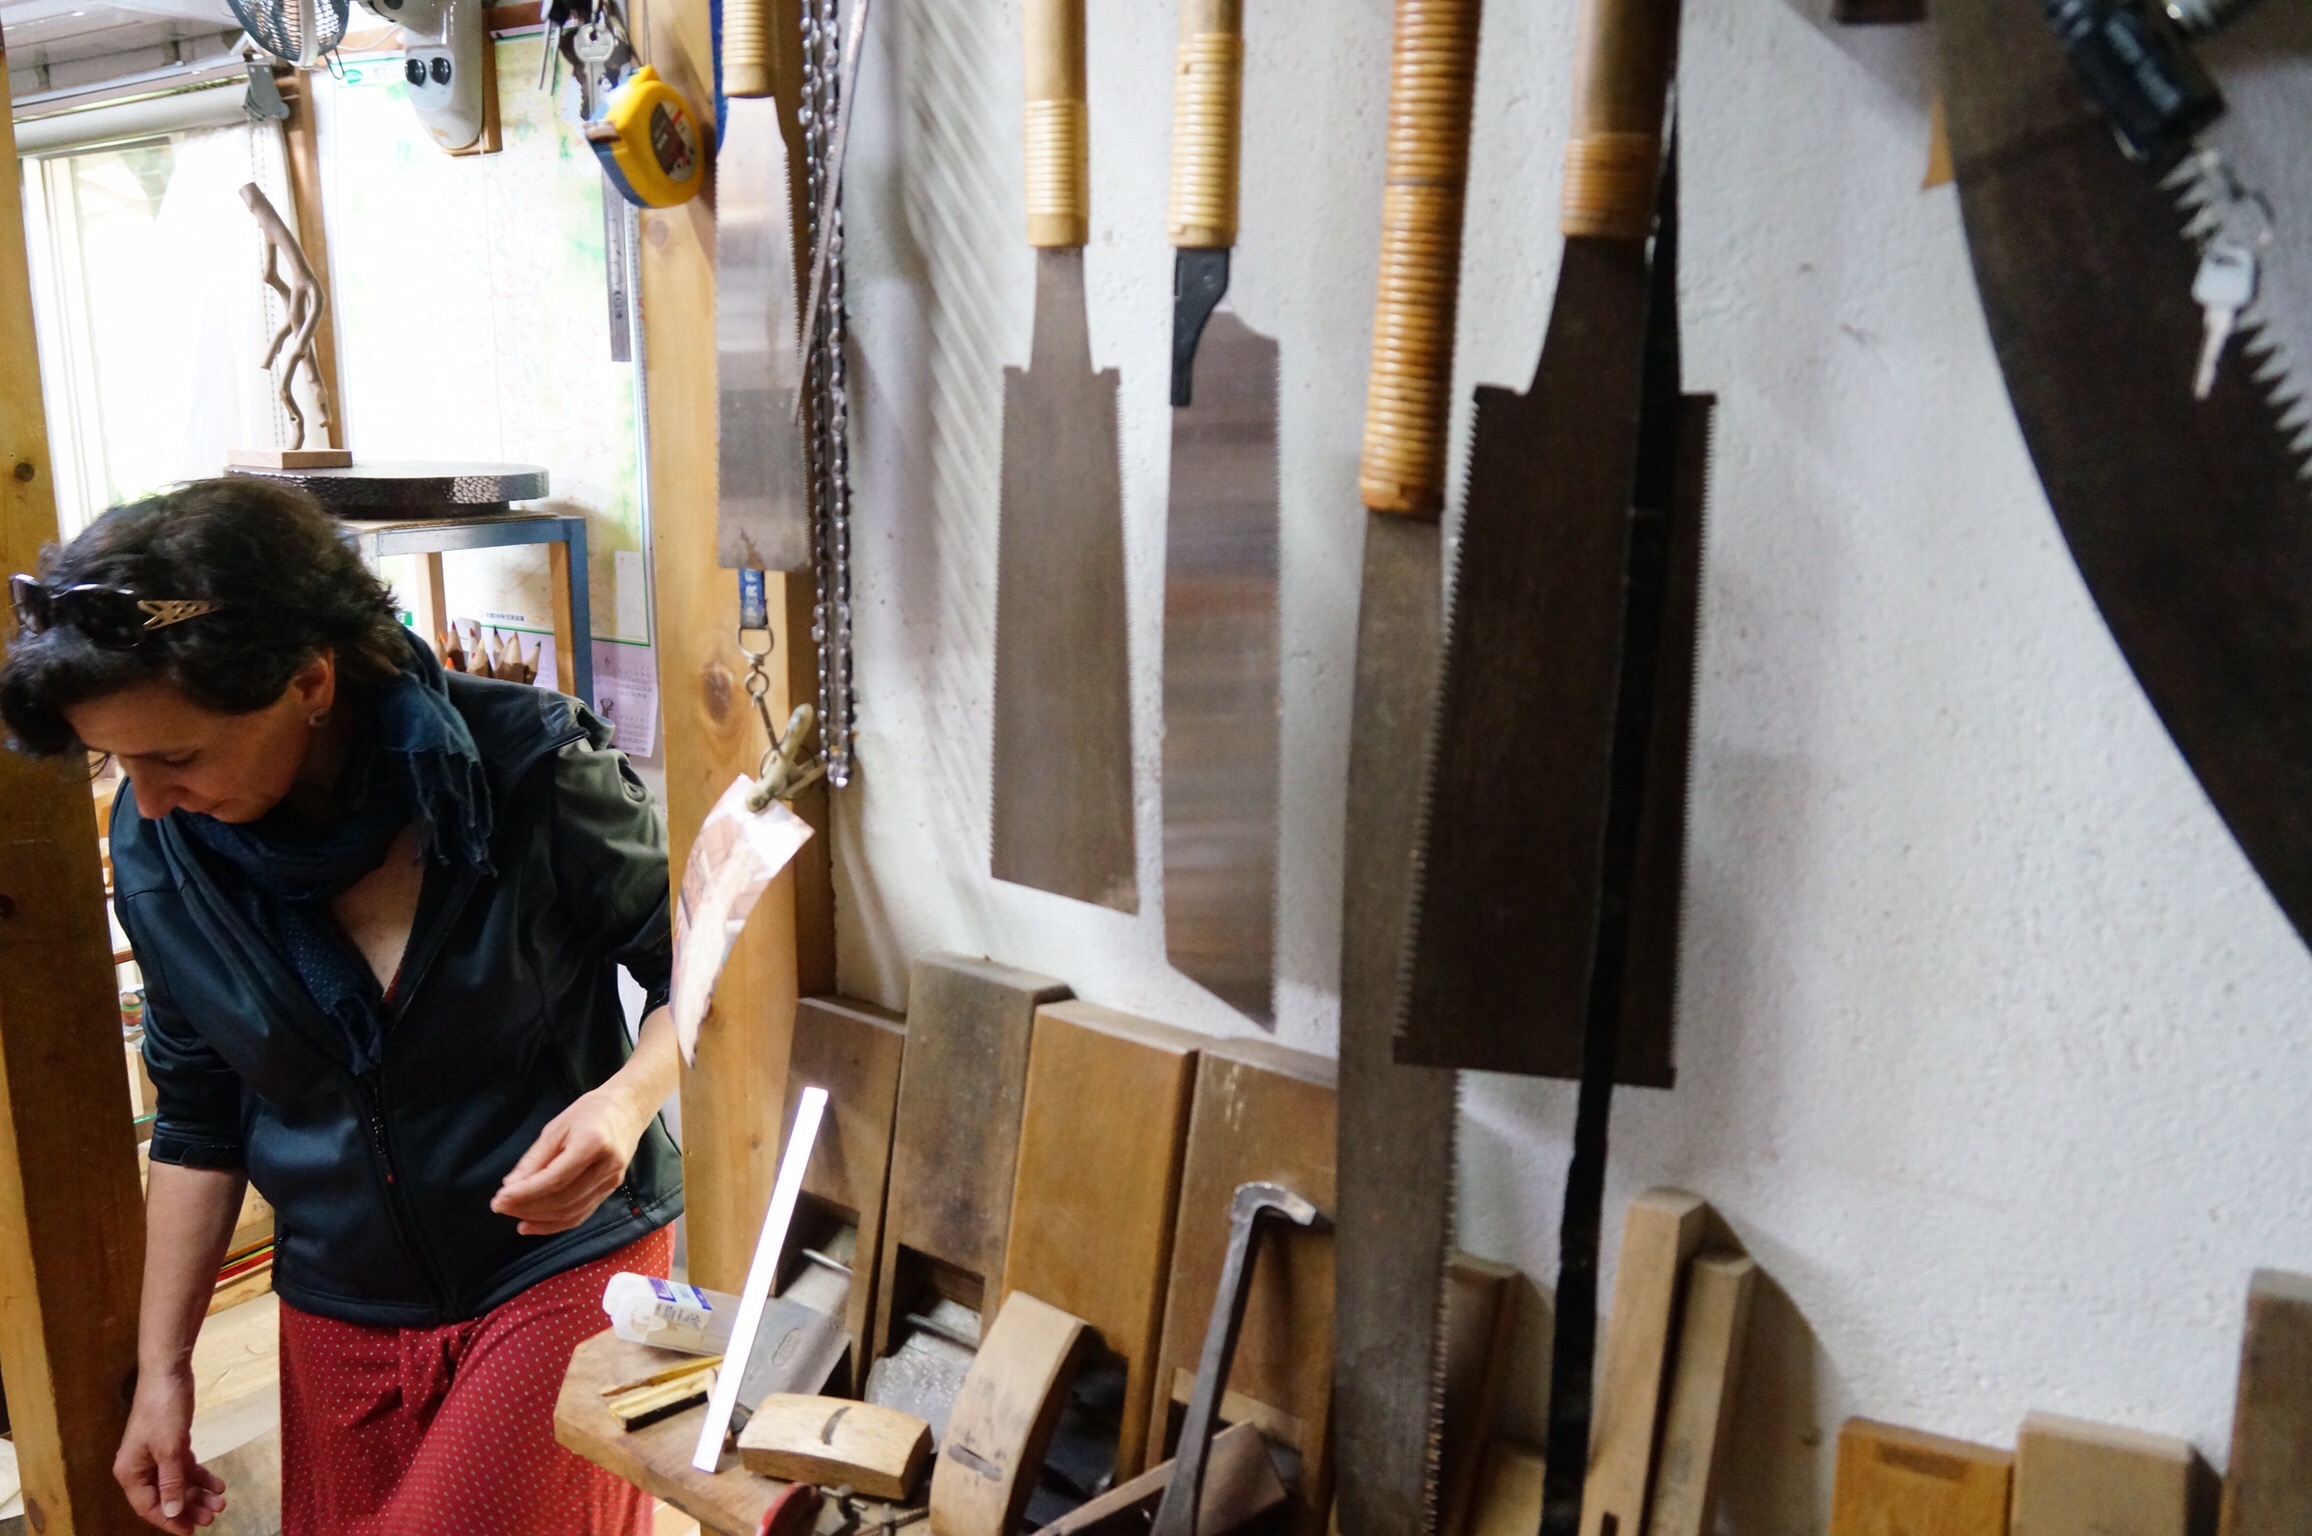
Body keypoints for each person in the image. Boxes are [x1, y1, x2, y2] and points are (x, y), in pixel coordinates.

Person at [0, 479, 683, 1536]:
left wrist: (627, 1101)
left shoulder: (532, 766)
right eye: (116, 760)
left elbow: (700, 971)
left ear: (310, 680)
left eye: (175, 756)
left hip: (556, 1257)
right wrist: (163, 1371)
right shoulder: (160, 847)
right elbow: (198, 1118)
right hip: (341, 1299)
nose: (148, 800)